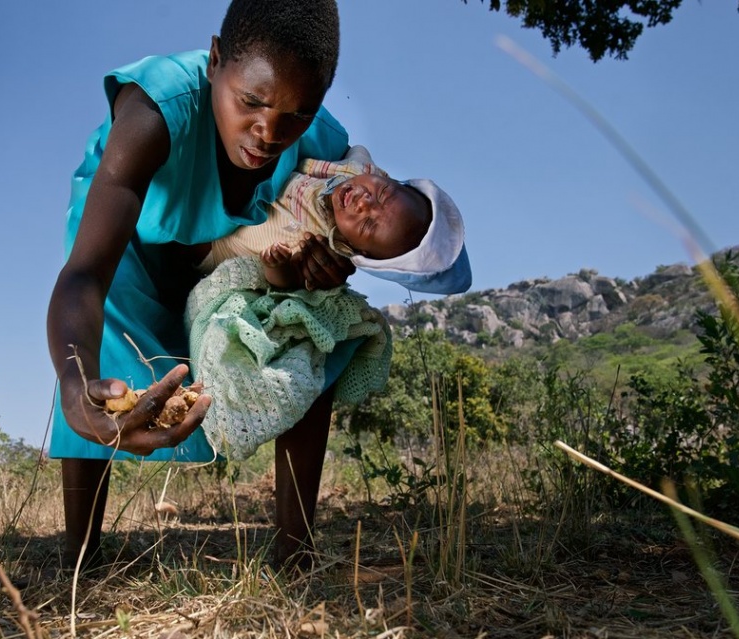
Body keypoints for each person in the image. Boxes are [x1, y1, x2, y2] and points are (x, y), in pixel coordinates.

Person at [46, 0, 354, 569]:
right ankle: (79, 557)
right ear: (215, 60)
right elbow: (87, 273)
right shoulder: (154, 112)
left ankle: (295, 555)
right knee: (103, 354)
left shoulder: (325, 153)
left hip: (231, 261)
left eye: (297, 115)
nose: (268, 133)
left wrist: (321, 269)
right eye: (251, 102)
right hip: (129, 246)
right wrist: (73, 379)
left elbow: (385, 234)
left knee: (312, 317)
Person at [186, 145, 472, 460]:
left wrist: (279, 266)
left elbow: (285, 284)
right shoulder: (358, 171)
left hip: (218, 242)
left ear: (355, 250)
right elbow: (351, 150)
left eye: (367, 225)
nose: (364, 203)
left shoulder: (317, 246)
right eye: (384, 193)